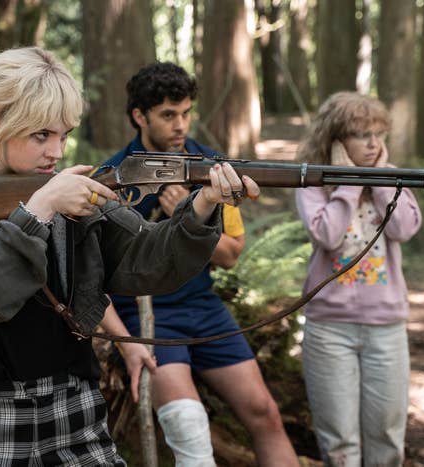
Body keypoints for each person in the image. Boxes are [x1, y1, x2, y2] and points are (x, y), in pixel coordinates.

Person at [0, 47, 260, 466]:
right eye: (41, 135)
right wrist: (39, 211)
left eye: (64, 135)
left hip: (76, 403)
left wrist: (202, 206)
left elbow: (146, 261)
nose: (57, 152)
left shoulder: (68, 189)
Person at [101, 62, 299, 467]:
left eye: (186, 112)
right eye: (168, 115)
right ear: (140, 116)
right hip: (146, 315)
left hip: (203, 307)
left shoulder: (215, 169)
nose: (180, 125)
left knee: (265, 412)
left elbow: (231, 254)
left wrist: (190, 218)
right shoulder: (112, 176)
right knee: (188, 425)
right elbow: (99, 267)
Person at [295, 91, 422, 466]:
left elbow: (404, 227)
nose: (373, 144)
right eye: (361, 135)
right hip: (329, 330)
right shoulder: (313, 182)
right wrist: (350, 182)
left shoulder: (391, 177)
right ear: (335, 140)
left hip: (386, 327)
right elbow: (328, 236)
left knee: (386, 437)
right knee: (339, 443)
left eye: (378, 134)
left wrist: (380, 179)